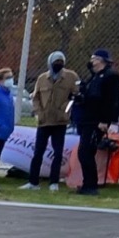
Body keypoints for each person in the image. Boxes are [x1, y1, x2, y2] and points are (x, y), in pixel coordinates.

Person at [23, 51, 79, 191]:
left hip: (60, 121)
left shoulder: (71, 77)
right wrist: (38, 113)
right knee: (38, 152)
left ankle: (53, 182)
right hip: (44, 121)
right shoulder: (42, 78)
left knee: (58, 152)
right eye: (56, 62)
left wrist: (66, 110)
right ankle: (33, 182)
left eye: (61, 62)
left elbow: (76, 96)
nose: (58, 65)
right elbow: (35, 97)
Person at [72, 49, 119, 196]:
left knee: (86, 151)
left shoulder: (110, 76)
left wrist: (105, 120)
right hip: (88, 118)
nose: (91, 61)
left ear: (101, 60)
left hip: (97, 120)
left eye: (94, 58)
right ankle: (87, 183)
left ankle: (91, 185)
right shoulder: (94, 77)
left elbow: (111, 100)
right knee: (85, 151)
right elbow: (91, 95)